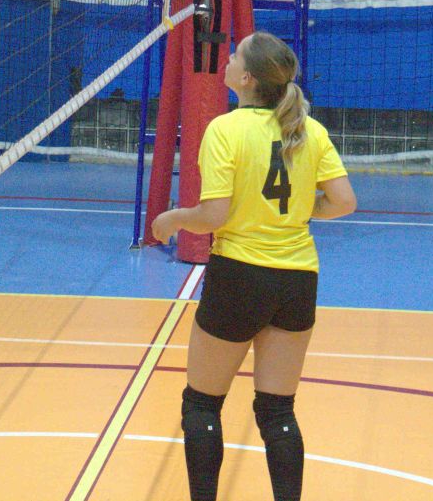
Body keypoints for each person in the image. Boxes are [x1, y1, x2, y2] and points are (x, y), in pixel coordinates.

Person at [152, 31, 356, 501]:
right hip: (297, 279)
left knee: (202, 404)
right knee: (277, 411)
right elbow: (344, 201)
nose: (226, 58)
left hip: (239, 275)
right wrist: (301, 209)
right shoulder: (310, 130)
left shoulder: (226, 129)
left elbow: (213, 216)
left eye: (235, 55)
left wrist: (173, 219)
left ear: (247, 78)